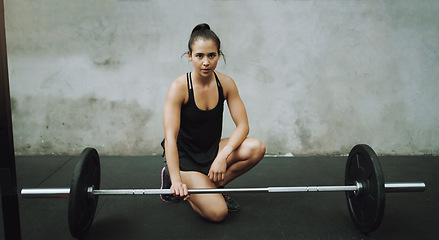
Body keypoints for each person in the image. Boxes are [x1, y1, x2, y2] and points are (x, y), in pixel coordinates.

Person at [160, 23, 266, 222]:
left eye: (211, 55)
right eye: (199, 56)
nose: (206, 62)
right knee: (218, 213)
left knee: (256, 148)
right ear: (190, 55)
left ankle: (211, 188)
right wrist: (176, 180)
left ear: (219, 55)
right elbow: (170, 139)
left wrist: (222, 157)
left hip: (211, 151)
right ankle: (179, 184)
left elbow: (243, 126)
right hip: (185, 160)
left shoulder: (226, 84)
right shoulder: (179, 87)